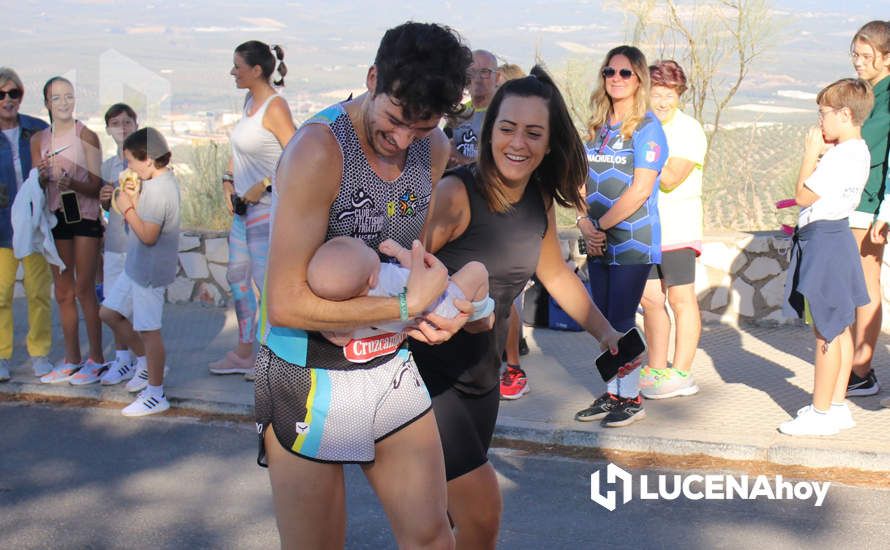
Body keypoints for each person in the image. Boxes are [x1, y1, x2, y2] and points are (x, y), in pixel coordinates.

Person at [254, 22, 473, 549]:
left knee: (432, 538)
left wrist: (433, 311)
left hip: (386, 364)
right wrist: (402, 304)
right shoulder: (318, 148)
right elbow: (284, 303)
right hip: (308, 372)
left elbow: (409, 263)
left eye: (421, 128)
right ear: (373, 78)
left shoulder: (433, 148)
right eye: (395, 119)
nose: (403, 140)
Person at [412, 65, 627, 549]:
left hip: (482, 379)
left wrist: (606, 333)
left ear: (549, 144)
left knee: (443, 522)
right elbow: (404, 273)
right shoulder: (455, 196)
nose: (518, 142)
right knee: (481, 513)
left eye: (534, 133)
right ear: (490, 133)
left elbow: (554, 273)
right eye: (507, 128)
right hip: (427, 379)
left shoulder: (537, 200)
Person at [574, 45, 668, 427]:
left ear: (639, 78)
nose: (615, 78)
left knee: (622, 319)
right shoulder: (598, 128)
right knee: (604, 321)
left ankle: (632, 397)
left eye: (625, 73)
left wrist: (601, 227)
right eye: (609, 72)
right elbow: (578, 181)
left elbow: (640, 190)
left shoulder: (648, 128)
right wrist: (584, 224)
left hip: (632, 240)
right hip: (597, 240)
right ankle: (613, 392)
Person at [780, 78, 873, 436]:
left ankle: (820, 413)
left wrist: (809, 153)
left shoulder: (839, 154)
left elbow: (803, 196)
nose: (820, 121)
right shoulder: (859, 150)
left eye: (824, 113)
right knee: (840, 326)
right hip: (838, 237)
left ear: (845, 114)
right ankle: (835, 406)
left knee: (826, 332)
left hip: (825, 240)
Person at [209, 41, 295, 380]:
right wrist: (228, 180)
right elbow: (239, 150)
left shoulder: (275, 108)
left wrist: (265, 184)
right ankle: (245, 352)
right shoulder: (249, 102)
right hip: (243, 211)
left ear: (256, 70)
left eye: (237, 66)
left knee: (265, 283)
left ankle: (273, 358)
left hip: (267, 209)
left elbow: (297, 155)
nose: (232, 72)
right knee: (238, 280)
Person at [99, 127, 180, 416]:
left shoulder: (160, 190)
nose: (129, 167)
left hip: (149, 271)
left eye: (131, 161)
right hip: (135, 266)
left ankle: (156, 394)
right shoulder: (154, 183)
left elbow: (148, 235)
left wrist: (126, 208)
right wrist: (131, 201)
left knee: (149, 331)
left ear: (147, 160)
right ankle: (147, 364)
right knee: (109, 313)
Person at [30, 76, 105, 383]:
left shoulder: (86, 135)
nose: (63, 102)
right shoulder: (39, 139)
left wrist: (71, 182)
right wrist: (44, 176)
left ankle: (96, 358)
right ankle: (71, 357)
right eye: (56, 98)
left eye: (68, 96)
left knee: (85, 288)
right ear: (47, 103)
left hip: (83, 215)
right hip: (55, 216)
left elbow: (97, 184)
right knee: (63, 291)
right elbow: (34, 180)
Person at [639, 60, 706, 400]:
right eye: (657, 93)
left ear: (679, 95)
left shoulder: (689, 130)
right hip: (643, 230)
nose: (663, 101)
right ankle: (657, 368)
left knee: (681, 300)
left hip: (677, 230)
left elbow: (669, 178)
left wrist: (643, 154)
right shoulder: (638, 125)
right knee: (650, 300)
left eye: (670, 94)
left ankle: (681, 373)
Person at [307, 236, 493, 345]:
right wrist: (399, 253)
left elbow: (342, 339)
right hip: (446, 306)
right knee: (477, 270)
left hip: (420, 326)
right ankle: (481, 311)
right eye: (365, 248)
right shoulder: (385, 277)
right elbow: (417, 269)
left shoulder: (358, 310)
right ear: (372, 279)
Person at [68, 103, 139, 386]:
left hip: (136, 245)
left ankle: (145, 362)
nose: (122, 128)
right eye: (115, 123)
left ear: (136, 124)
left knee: (137, 310)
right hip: (113, 245)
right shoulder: (109, 165)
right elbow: (104, 207)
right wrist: (106, 199)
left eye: (127, 122)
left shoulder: (144, 163)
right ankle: (123, 360)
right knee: (113, 305)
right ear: (108, 129)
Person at [846, 20, 890, 397]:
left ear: (887, 57)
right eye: (854, 54)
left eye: (866, 55)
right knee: (854, 283)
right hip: (850, 198)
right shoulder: (866, 92)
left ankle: (860, 368)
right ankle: (852, 365)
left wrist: (887, 209)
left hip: (871, 202)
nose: (857, 62)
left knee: (865, 282)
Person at [0, 67, 52, 382]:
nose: (7, 100)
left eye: (13, 93)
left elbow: (60, 176)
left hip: (34, 228)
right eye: (1, 94)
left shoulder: (37, 129)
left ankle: (40, 353)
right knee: (1, 295)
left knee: (38, 293)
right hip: (1, 229)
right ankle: (2, 355)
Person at [448, 49, 498, 167]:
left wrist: (461, 159)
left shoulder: (502, 115)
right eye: (471, 72)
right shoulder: (457, 114)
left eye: (485, 72)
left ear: (497, 77)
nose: (477, 79)